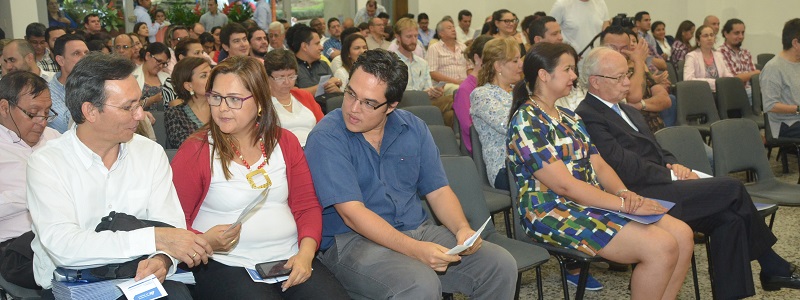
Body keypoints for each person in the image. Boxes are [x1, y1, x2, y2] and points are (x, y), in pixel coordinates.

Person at [577, 45, 800, 298]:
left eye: (627, 74)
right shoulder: (587, 115)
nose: (627, 82)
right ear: (595, 82)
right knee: (733, 188)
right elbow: (623, 166)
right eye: (619, 77)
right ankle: (772, 265)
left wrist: (674, 164)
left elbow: (656, 148)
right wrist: (670, 175)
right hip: (640, 194)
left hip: (663, 183)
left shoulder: (627, 109)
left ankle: (738, 291)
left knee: (731, 219)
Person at [305, 48, 517, 299]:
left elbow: (438, 191)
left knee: (500, 265)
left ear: (391, 105)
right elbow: (352, 215)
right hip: (352, 241)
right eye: (350, 93)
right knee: (419, 283)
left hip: (415, 228)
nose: (353, 108)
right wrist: (415, 250)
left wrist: (462, 229)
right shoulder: (327, 136)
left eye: (369, 103)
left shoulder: (413, 128)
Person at [509, 44, 693, 299]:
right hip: (552, 210)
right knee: (660, 246)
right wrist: (623, 205)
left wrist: (625, 193)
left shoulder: (568, 117)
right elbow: (565, 187)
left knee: (682, 235)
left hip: (589, 200)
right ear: (543, 75)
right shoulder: (526, 120)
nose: (574, 76)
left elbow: (599, 163)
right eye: (568, 69)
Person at [27, 52, 211, 298]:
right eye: (128, 107)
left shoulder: (149, 154)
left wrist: (162, 259)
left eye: (139, 104)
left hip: (137, 275)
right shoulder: (47, 162)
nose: (139, 115)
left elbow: (171, 228)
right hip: (73, 284)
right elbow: (64, 246)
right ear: (90, 111)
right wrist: (154, 238)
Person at [170, 55, 347, 299]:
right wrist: (204, 241)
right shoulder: (197, 150)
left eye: (234, 99)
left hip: (289, 256)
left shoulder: (284, 141)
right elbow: (173, 221)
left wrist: (305, 256)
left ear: (260, 102)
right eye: (216, 97)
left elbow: (306, 205)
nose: (222, 108)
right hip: (224, 262)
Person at [0, 72, 60, 288]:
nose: (42, 122)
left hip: (65, 235)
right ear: (4, 107)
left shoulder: (55, 140)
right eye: (33, 113)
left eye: (47, 113)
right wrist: (36, 192)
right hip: (17, 246)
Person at [469, 38, 522, 190]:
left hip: (528, 161)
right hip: (505, 168)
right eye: (515, 60)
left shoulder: (519, 91)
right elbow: (511, 127)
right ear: (498, 65)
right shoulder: (482, 95)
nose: (521, 64)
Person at [265, 50, 323, 146]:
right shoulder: (261, 102)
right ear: (267, 77)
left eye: (291, 76)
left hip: (314, 148)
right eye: (281, 77)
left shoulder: (304, 96)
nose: (287, 82)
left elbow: (323, 125)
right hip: (283, 153)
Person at [453, 35, 492, 155]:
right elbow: (471, 130)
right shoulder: (465, 90)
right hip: (480, 149)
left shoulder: (496, 85)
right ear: (477, 58)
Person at [762, 18, 800, 139]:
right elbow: (770, 105)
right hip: (785, 124)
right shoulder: (773, 68)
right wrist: (798, 109)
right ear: (795, 43)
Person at [287, 24, 341, 107]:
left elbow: (334, 87)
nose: (321, 48)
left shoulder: (323, 65)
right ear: (304, 46)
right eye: (317, 44)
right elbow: (293, 94)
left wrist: (336, 89)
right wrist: (324, 86)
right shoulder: (290, 68)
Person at [164, 57, 209, 148]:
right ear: (189, 86)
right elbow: (184, 146)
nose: (212, 78)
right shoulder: (175, 114)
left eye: (212, 73)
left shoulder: (223, 107)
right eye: (204, 76)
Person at [47, 34, 88, 134]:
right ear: (61, 60)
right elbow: (69, 127)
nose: (85, 58)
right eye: (76, 53)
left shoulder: (98, 84)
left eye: (86, 53)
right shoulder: (48, 93)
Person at [683, 25, 734, 92]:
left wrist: (731, 81)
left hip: (720, 93)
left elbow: (727, 74)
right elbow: (688, 79)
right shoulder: (692, 56)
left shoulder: (719, 55)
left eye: (711, 35)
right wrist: (715, 83)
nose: (709, 38)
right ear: (698, 40)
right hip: (701, 93)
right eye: (705, 36)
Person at [425, 19, 469, 95]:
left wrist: (469, 81)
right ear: (441, 33)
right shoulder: (434, 48)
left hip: (464, 83)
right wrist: (456, 82)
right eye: (449, 28)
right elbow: (432, 73)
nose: (453, 30)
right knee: (459, 90)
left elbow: (470, 67)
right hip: (444, 86)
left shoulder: (463, 46)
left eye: (453, 27)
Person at [719, 18, 760, 99]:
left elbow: (754, 79)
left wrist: (753, 74)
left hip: (750, 91)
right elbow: (734, 80)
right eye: (736, 33)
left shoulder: (746, 53)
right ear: (726, 34)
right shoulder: (720, 53)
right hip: (733, 93)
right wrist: (756, 72)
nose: (741, 36)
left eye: (742, 33)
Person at [133, 42, 175, 110]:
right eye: (158, 61)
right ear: (148, 56)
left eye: (164, 63)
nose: (161, 66)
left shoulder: (167, 77)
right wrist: (152, 100)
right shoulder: (132, 77)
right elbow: (129, 107)